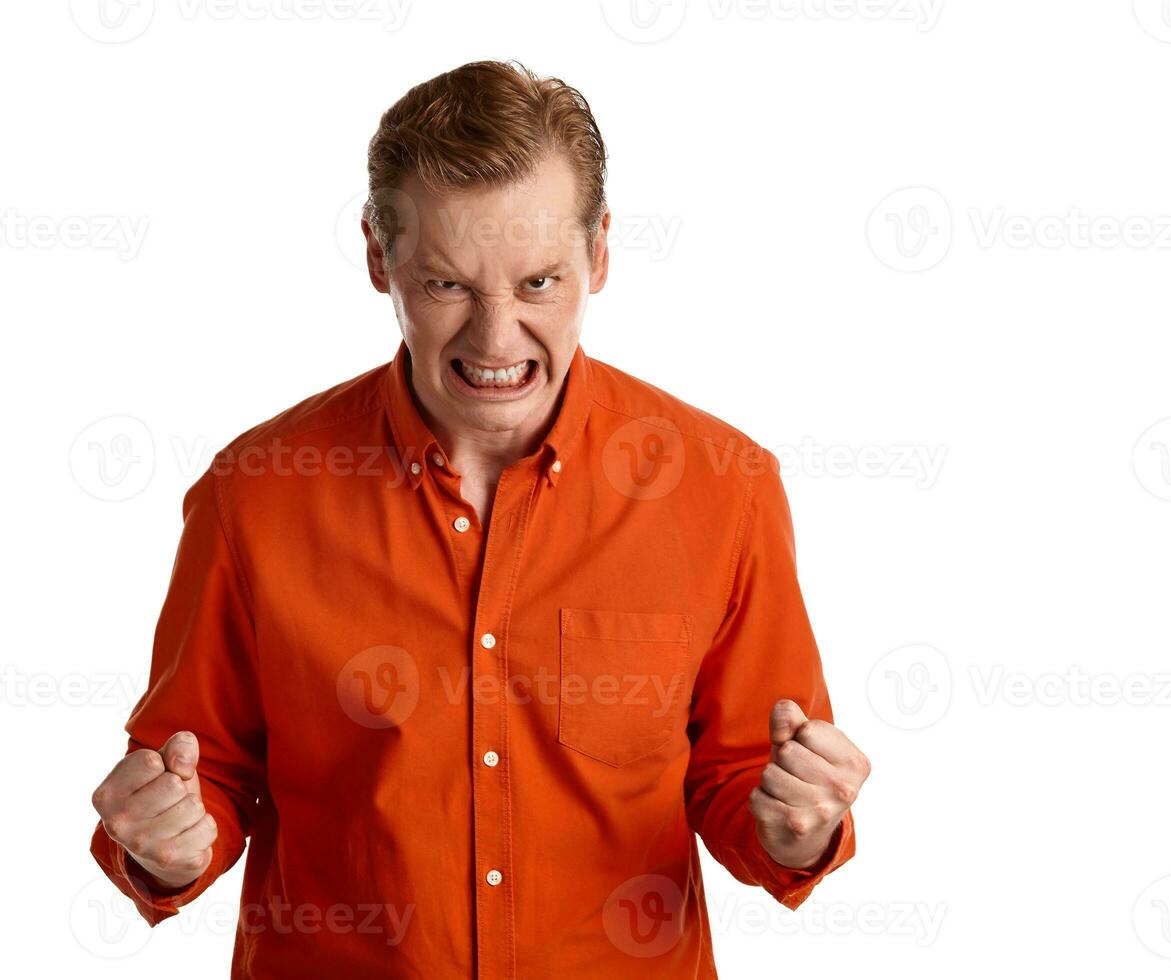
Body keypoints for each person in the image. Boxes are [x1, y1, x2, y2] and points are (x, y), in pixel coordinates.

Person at [89, 59, 869, 978]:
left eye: (539, 283)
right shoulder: (252, 494)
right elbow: (202, 777)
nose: (496, 340)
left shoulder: (724, 488)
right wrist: (163, 847)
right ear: (380, 257)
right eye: (448, 285)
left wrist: (798, 830)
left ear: (601, 253)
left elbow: (747, 786)